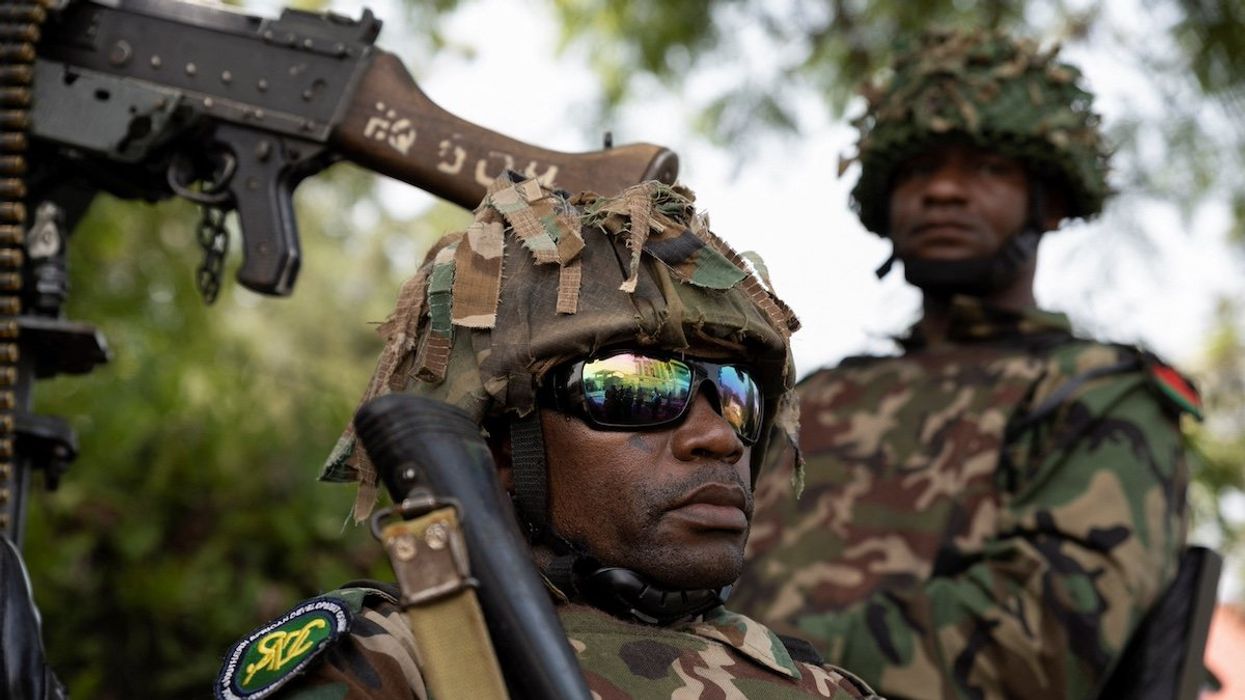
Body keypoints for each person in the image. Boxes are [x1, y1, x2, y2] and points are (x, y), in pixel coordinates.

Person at [214, 175, 881, 699]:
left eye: (737, 399)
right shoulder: (401, 662)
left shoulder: (824, 687)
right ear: (503, 450)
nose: (716, 437)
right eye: (638, 387)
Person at [731, 29, 1201, 700]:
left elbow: (1035, 650)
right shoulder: (815, 395)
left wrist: (733, 653)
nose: (943, 191)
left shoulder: (1094, 394)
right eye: (918, 170)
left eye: (987, 168)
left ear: (1052, 203)